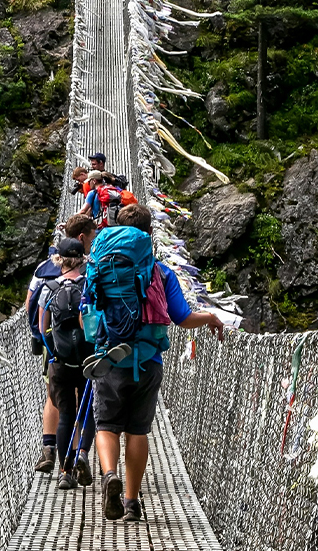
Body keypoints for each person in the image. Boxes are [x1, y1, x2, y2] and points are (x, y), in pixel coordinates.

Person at [88, 203, 225, 522]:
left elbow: (88, 313)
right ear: (150, 235)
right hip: (148, 361)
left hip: (109, 359)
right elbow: (182, 317)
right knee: (138, 430)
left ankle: (109, 476)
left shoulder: (100, 265)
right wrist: (209, 317)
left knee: (106, 425)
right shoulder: (161, 272)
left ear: (115, 228)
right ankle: (132, 502)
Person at [29, 214, 97, 473]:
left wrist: (48, 348)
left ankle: (63, 469)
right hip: (88, 357)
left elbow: (39, 321)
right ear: (82, 256)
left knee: (63, 410)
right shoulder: (90, 282)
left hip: (60, 358)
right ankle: (82, 453)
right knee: (87, 408)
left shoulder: (47, 284)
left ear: (59, 258)